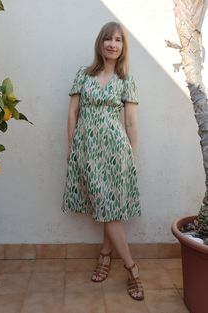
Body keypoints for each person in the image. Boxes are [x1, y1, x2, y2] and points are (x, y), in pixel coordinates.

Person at [62, 21, 144, 301]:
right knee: (106, 207)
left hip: (116, 152)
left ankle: (110, 258)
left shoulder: (126, 81)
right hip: (87, 150)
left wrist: (131, 157)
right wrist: (72, 146)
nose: (112, 44)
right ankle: (129, 267)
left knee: (110, 209)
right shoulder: (83, 76)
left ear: (123, 47)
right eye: (108, 39)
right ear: (100, 43)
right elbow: (73, 114)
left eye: (118, 40)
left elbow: (131, 123)